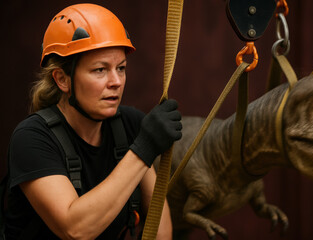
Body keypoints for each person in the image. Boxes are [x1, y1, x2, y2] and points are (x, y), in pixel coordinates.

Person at [4, 3, 182, 240]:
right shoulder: (32, 138)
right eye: (100, 70)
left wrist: (143, 144)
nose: (116, 81)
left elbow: (159, 228)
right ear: (62, 80)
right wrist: (144, 148)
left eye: (121, 68)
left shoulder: (130, 124)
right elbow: (74, 229)